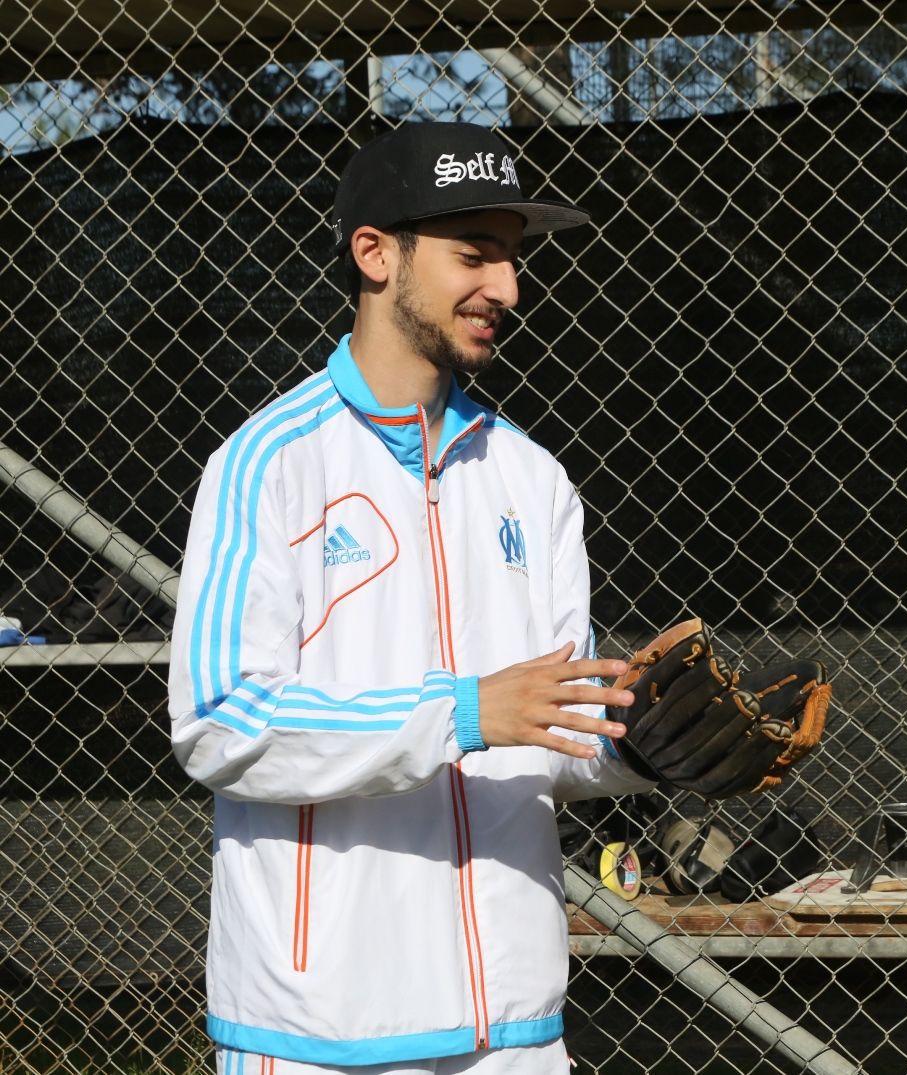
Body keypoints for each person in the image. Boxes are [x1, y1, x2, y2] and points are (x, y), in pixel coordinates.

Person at [168, 122, 656, 1073]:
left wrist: (649, 747)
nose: (507, 288)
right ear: (375, 254)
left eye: (511, 258)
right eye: (474, 254)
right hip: (320, 1030)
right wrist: (461, 711)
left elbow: (553, 733)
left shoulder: (534, 479)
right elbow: (221, 721)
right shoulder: (266, 463)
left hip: (514, 1028)